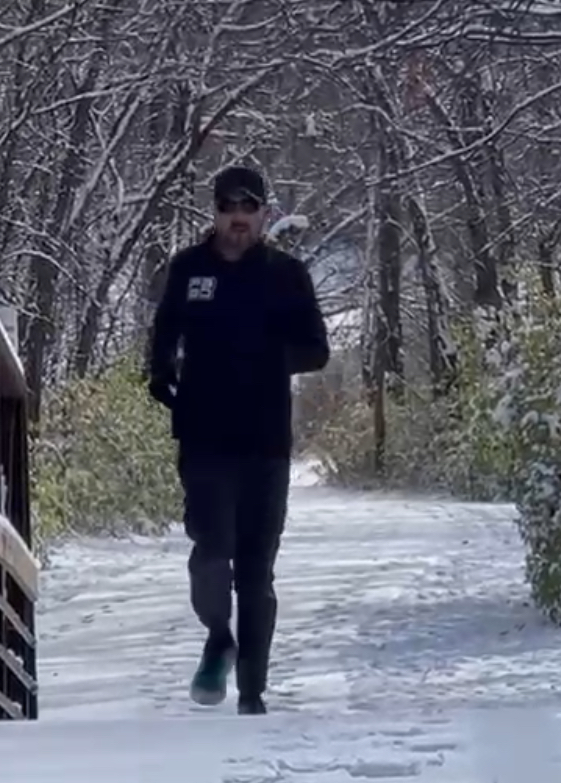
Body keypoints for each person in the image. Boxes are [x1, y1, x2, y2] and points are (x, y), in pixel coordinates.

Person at [146, 164, 330, 715]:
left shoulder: (286, 275)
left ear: (265, 214)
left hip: (265, 441)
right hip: (203, 435)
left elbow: (317, 350)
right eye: (229, 208)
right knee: (210, 552)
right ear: (216, 212)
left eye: (249, 208)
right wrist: (160, 373)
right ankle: (218, 636)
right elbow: (164, 331)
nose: (238, 218)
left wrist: (268, 355)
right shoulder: (188, 268)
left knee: (255, 571)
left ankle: (252, 693)